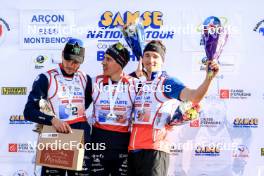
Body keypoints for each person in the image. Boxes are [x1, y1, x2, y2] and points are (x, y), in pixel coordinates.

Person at [128, 40, 220, 176]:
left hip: (155, 151)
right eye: (147, 55)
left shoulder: (167, 83)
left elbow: (194, 97)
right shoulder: (137, 82)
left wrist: (209, 77)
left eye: (155, 56)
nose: (150, 60)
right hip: (133, 150)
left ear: (162, 61)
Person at [24, 38, 92, 176]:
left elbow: (87, 103)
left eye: (75, 62)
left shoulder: (85, 79)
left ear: (82, 61)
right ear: (62, 54)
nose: (70, 65)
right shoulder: (46, 78)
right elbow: (29, 111)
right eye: (67, 59)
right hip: (55, 135)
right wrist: (52, 120)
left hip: (80, 137)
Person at [90, 42, 137, 176]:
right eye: (104, 58)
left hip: (122, 145)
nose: (103, 62)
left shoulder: (135, 84)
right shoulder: (94, 82)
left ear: (119, 63)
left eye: (108, 59)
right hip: (98, 144)